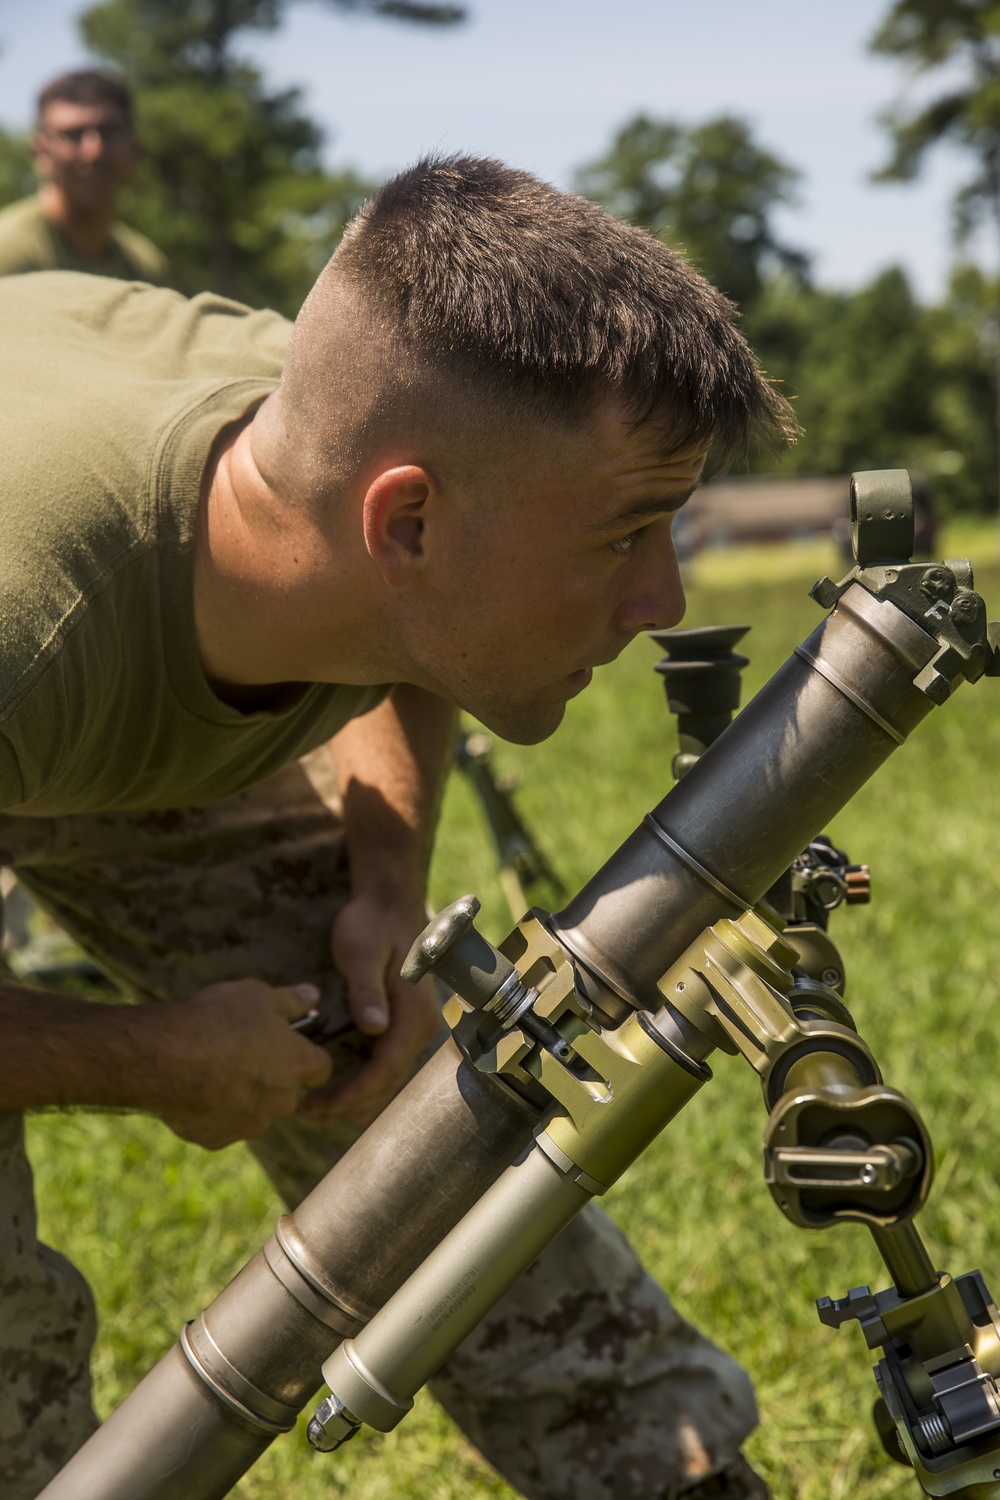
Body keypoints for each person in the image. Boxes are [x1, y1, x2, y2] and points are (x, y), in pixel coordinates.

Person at [0, 156, 795, 1500]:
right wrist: (143, 1057)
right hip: (50, 648)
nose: (664, 596)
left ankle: (665, 1476)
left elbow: (405, 629)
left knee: (388, 1062)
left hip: (102, 663)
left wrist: (385, 872)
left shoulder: (353, 419)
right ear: (408, 520)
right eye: (626, 535)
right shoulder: (31, 617)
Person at [0, 68, 169, 283]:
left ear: (135, 152)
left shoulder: (145, 265)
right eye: (73, 135)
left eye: (110, 133)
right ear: (40, 153)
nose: (94, 152)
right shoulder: (8, 256)